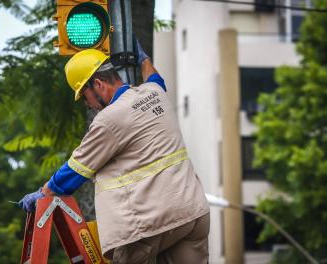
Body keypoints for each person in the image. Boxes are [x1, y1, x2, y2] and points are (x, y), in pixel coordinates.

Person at [19, 40, 210, 263]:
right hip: (193, 212)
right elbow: (155, 77)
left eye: (84, 96)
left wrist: (44, 192)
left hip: (151, 223)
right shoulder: (154, 93)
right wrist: (144, 59)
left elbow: (76, 169)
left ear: (98, 84)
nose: (88, 104)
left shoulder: (109, 119)